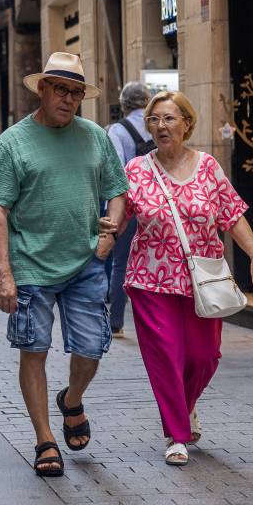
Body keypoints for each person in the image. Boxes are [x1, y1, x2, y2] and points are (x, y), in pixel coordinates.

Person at [0, 52, 128, 476]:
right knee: (34, 349)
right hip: (30, 265)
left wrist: (109, 233)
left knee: (91, 349)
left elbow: (118, 190)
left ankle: (72, 399)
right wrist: (3, 273)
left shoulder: (95, 137)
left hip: (86, 262)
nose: (68, 99)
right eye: (61, 89)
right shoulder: (12, 142)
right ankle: (45, 439)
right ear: (42, 89)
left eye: (76, 93)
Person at [122, 90, 253, 467]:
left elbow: (232, 215)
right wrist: (103, 232)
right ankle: (176, 435)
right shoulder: (136, 169)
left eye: (169, 118)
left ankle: (185, 406)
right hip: (150, 280)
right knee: (166, 356)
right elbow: (118, 217)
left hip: (202, 279)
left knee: (205, 356)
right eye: (154, 119)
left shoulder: (207, 167)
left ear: (187, 124)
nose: (160, 126)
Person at [105, 81, 153, 336]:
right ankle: (156, 322)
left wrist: (112, 212)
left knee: (121, 264)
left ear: (124, 104)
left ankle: (116, 323)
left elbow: (115, 173)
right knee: (155, 263)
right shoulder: (157, 124)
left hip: (130, 208)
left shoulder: (118, 130)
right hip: (159, 208)